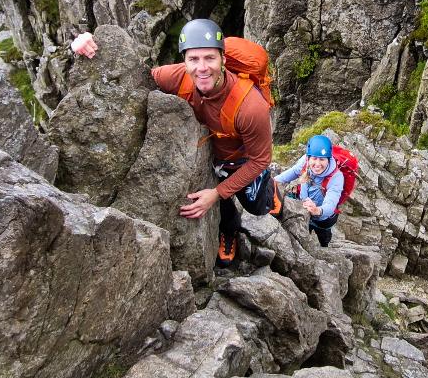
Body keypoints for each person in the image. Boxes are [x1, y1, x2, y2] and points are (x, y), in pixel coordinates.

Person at [71, 19, 277, 267]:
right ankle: (229, 231)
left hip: (240, 159)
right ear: (185, 60)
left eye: (210, 58)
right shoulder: (180, 77)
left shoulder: (250, 107)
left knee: (257, 206)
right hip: (208, 156)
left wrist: (217, 192)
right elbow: (132, 79)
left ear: (223, 59)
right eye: (194, 59)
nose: (202, 68)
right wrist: (91, 47)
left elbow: (261, 159)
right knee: (220, 205)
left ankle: (271, 190)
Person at [275, 134, 343, 247]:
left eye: (322, 159)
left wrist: (317, 210)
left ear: (329, 159)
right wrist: (273, 181)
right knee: (305, 232)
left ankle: (324, 245)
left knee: (324, 236)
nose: (317, 164)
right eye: (314, 158)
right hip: (304, 208)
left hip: (323, 217)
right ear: (308, 157)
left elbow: (331, 202)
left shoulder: (336, 177)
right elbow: (293, 172)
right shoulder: (305, 161)